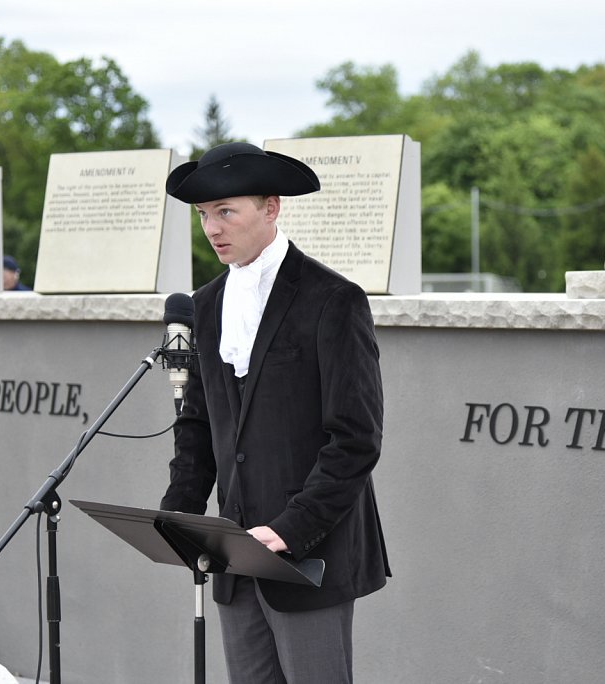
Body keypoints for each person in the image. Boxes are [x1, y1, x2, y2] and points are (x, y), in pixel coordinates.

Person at [160, 142, 389, 683]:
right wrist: (180, 513)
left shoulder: (334, 299)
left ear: (271, 208)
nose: (212, 229)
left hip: (310, 555)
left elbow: (356, 439)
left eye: (225, 212)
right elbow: (200, 422)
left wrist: (290, 529)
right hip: (233, 558)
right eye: (203, 216)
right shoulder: (207, 303)